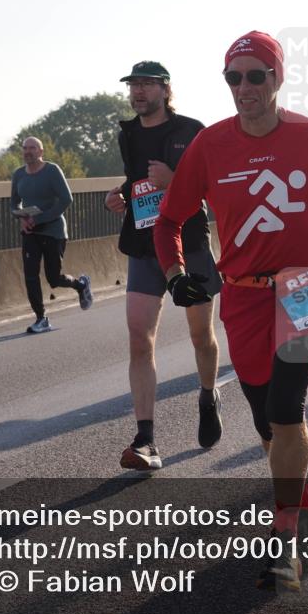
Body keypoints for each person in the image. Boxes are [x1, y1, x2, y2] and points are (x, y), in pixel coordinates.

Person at [154, 31, 308, 591]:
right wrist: (176, 276)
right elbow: (169, 219)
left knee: (286, 407)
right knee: (265, 417)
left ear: (278, 77)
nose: (243, 88)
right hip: (242, 292)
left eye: (255, 76)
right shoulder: (211, 145)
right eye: (233, 78)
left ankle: (286, 541)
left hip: (307, 287)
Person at [104, 61, 222, 471]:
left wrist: (176, 181)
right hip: (143, 245)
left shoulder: (193, 131)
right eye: (134, 84)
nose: (138, 91)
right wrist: (121, 194)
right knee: (139, 338)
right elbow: (137, 179)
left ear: (165, 89)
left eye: (146, 84)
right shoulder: (128, 134)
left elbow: (216, 184)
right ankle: (146, 440)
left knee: (200, 336)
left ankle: (208, 395)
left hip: (188, 244)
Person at [10, 137, 92, 334]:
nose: (28, 151)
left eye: (32, 148)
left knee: (54, 278)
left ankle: (80, 285)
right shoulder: (19, 174)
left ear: (41, 151)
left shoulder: (52, 170)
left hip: (53, 231)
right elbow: (14, 203)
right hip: (30, 232)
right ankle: (41, 318)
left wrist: (40, 219)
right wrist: (21, 218)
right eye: (25, 148)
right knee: (30, 275)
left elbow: (66, 199)